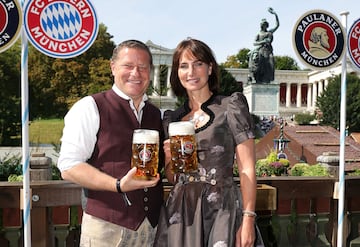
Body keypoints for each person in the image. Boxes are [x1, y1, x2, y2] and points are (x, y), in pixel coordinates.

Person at [57, 39, 164, 247]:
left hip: (151, 228)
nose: (136, 73)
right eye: (128, 65)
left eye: (143, 67)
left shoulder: (156, 114)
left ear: (150, 72)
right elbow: (69, 166)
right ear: (112, 67)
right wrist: (117, 185)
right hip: (105, 228)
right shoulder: (90, 107)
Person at [154, 38, 258, 247]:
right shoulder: (173, 119)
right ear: (177, 73)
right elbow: (174, 177)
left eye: (198, 64)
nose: (191, 72)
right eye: (184, 66)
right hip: (181, 210)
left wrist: (248, 218)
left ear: (210, 68)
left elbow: (247, 168)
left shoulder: (230, 106)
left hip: (221, 207)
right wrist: (168, 158)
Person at [249, 7, 279, 84]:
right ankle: (257, 79)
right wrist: (263, 42)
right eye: (263, 25)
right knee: (260, 67)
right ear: (261, 25)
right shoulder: (259, 34)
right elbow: (254, 43)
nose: (264, 26)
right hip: (261, 51)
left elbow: (277, 25)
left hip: (268, 51)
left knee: (271, 64)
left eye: (265, 25)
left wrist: (275, 14)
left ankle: (269, 80)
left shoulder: (270, 32)